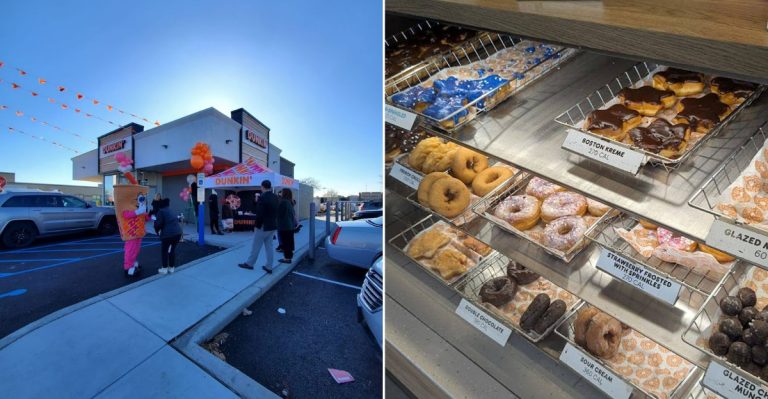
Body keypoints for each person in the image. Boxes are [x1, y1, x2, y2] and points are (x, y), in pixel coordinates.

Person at [238, 180, 279, 273]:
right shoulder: (275, 197)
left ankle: (250, 264)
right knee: (269, 247)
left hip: (263, 226)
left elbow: (260, 213)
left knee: (255, 247)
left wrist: (257, 225)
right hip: (272, 226)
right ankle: (269, 266)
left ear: (263, 187)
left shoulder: (262, 197)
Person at [153, 198, 183, 274]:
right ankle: (171, 268)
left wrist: (156, 228)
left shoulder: (161, 211)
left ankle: (164, 268)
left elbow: (158, 224)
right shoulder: (170, 210)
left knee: (164, 251)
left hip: (168, 235)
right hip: (177, 233)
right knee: (171, 250)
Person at [277, 188, 296, 264]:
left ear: (284, 193)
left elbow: (279, 214)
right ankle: (289, 257)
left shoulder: (283, 202)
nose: (280, 193)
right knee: (289, 242)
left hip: (284, 226)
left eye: (281, 192)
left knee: (285, 243)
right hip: (290, 225)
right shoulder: (290, 202)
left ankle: (287, 258)